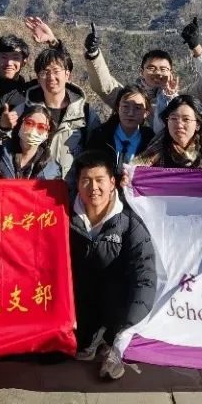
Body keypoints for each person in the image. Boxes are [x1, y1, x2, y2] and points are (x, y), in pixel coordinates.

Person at [69, 151, 156, 381]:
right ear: (77, 184)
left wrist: (126, 330)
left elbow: (145, 276)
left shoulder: (129, 223)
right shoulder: (62, 218)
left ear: (112, 183)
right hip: (76, 315)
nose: (93, 187)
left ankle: (113, 349)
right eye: (86, 180)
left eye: (99, 180)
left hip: (114, 316)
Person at [0, 47, 101, 177]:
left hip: (71, 188)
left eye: (56, 71)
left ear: (67, 75)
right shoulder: (22, 112)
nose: (51, 77)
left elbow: (97, 157)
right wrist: (1, 126)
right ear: (38, 77)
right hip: (33, 186)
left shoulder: (85, 115)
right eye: (45, 72)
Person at [82, 24, 182, 131]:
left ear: (171, 73)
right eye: (151, 68)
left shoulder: (179, 101)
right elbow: (106, 87)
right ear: (141, 72)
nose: (157, 73)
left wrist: (170, 96)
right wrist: (94, 54)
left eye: (163, 69)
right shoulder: (128, 96)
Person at [133, 95, 202, 171]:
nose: (179, 125)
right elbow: (132, 170)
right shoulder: (153, 149)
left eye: (186, 119)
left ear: (198, 125)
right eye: (173, 118)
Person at [92, 87, 155, 178]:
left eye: (137, 108)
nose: (130, 113)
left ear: (146, 113)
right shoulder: (100, 136)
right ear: (118, 108)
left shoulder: (152, 142)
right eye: (125, 106)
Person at [0, 104, 62, 180]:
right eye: (29, 123)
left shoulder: (52, 169)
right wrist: (1, 126)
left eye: (41, 127)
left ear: (47, 133)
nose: (33, 131)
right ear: (20, 124)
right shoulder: (0, 154)